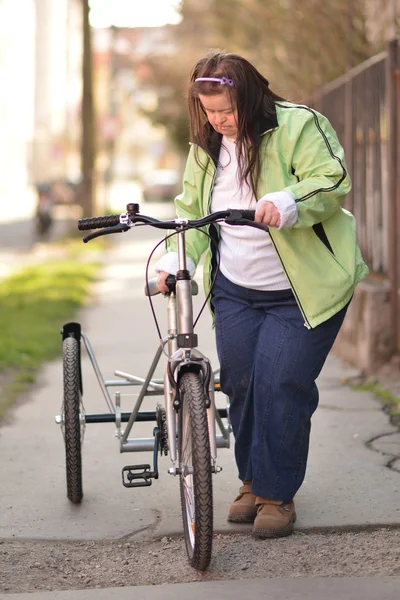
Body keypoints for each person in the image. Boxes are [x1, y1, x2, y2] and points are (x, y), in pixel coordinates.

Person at [155, 49, 369, 539]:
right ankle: (252, 481)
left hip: (301, 290)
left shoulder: (299, 126)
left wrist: (287, 200)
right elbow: (190, 210)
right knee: (243, 384)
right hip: (235, 290)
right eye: (208, 112)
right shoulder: (207, 145)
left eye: (226, 111)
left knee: (282, 384)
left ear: (249, 98)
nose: (218, 121)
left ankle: (277, 494)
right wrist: (174, 260)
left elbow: (333, 180)